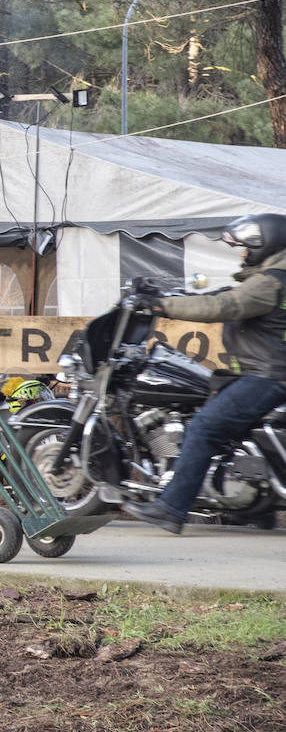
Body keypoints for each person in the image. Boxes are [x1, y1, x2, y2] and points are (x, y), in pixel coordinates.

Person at [124, 213, 286, 534]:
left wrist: (160, 306)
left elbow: (223, 307)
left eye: (244, 248)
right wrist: (171, 294)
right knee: (231, 431)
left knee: (204, 427)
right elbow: (222, 296)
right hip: (263, 372)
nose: (241, 254)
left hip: (268, 376)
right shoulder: (273, 277)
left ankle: (171, 507)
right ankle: (255, 510)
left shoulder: (270, 282)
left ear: (262, 245)